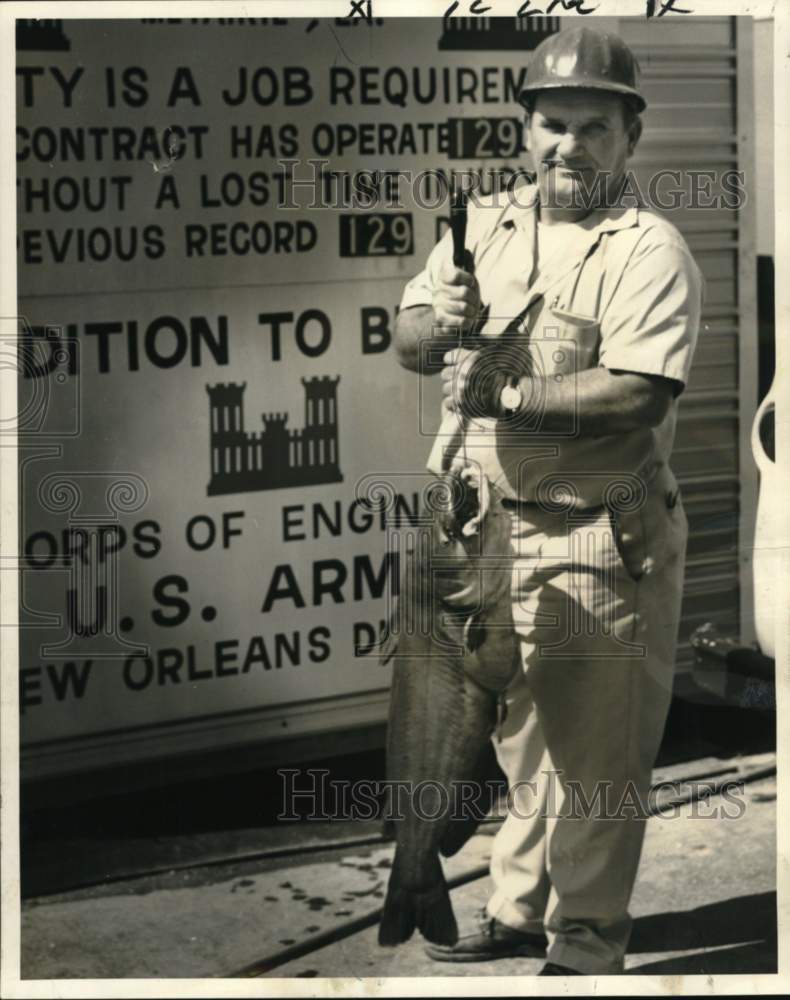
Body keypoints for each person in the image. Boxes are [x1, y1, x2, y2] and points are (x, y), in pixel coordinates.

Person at [392, 26, 703, 976]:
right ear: (526, 129)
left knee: (597, 761)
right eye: (552, 125)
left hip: (597, 536)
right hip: (484, 536)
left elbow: (640, 392)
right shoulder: (478, 222)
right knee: (520, 739)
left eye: (592, 128)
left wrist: (510, 391)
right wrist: (431, 326)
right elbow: (406, 338)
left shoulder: (650, 248)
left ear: (630, 134)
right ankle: (520, 909)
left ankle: (589, 942)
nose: (568, 147)